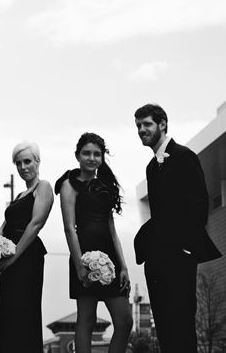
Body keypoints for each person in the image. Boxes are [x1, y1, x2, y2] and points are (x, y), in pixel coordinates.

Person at [133, 103, 220, 353]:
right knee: (164, 327)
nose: (141, 130)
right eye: (138, 125)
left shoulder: (184, 156)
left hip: (179, 258)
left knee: (181, 324)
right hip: (157, 260)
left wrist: (185, 250)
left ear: (162, 124)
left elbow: (199, 206)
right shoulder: (151, 167)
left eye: (147, 124)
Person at [55, 133, 132, 353]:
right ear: (77, 156)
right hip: (84, 255)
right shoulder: (69, 185)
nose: (91, 158)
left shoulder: (105, 186)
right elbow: (69, 228)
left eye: (97, 154)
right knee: (86, 320)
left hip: (110, 258)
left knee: (125, 321)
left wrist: (123, 266)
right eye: (86, 153)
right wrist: (79, 264)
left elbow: (112, 228)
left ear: (102, 157)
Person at [0, 142, 53, 353]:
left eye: (27, 161)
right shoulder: (18, 197)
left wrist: (12, 257)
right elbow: (3, 227)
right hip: (10, 259)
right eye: (18, 163)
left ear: (37, 161)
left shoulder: (43, 186)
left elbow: (35, 224)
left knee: (24, 311)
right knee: (8, 312)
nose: (23, 167)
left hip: (27, 258)